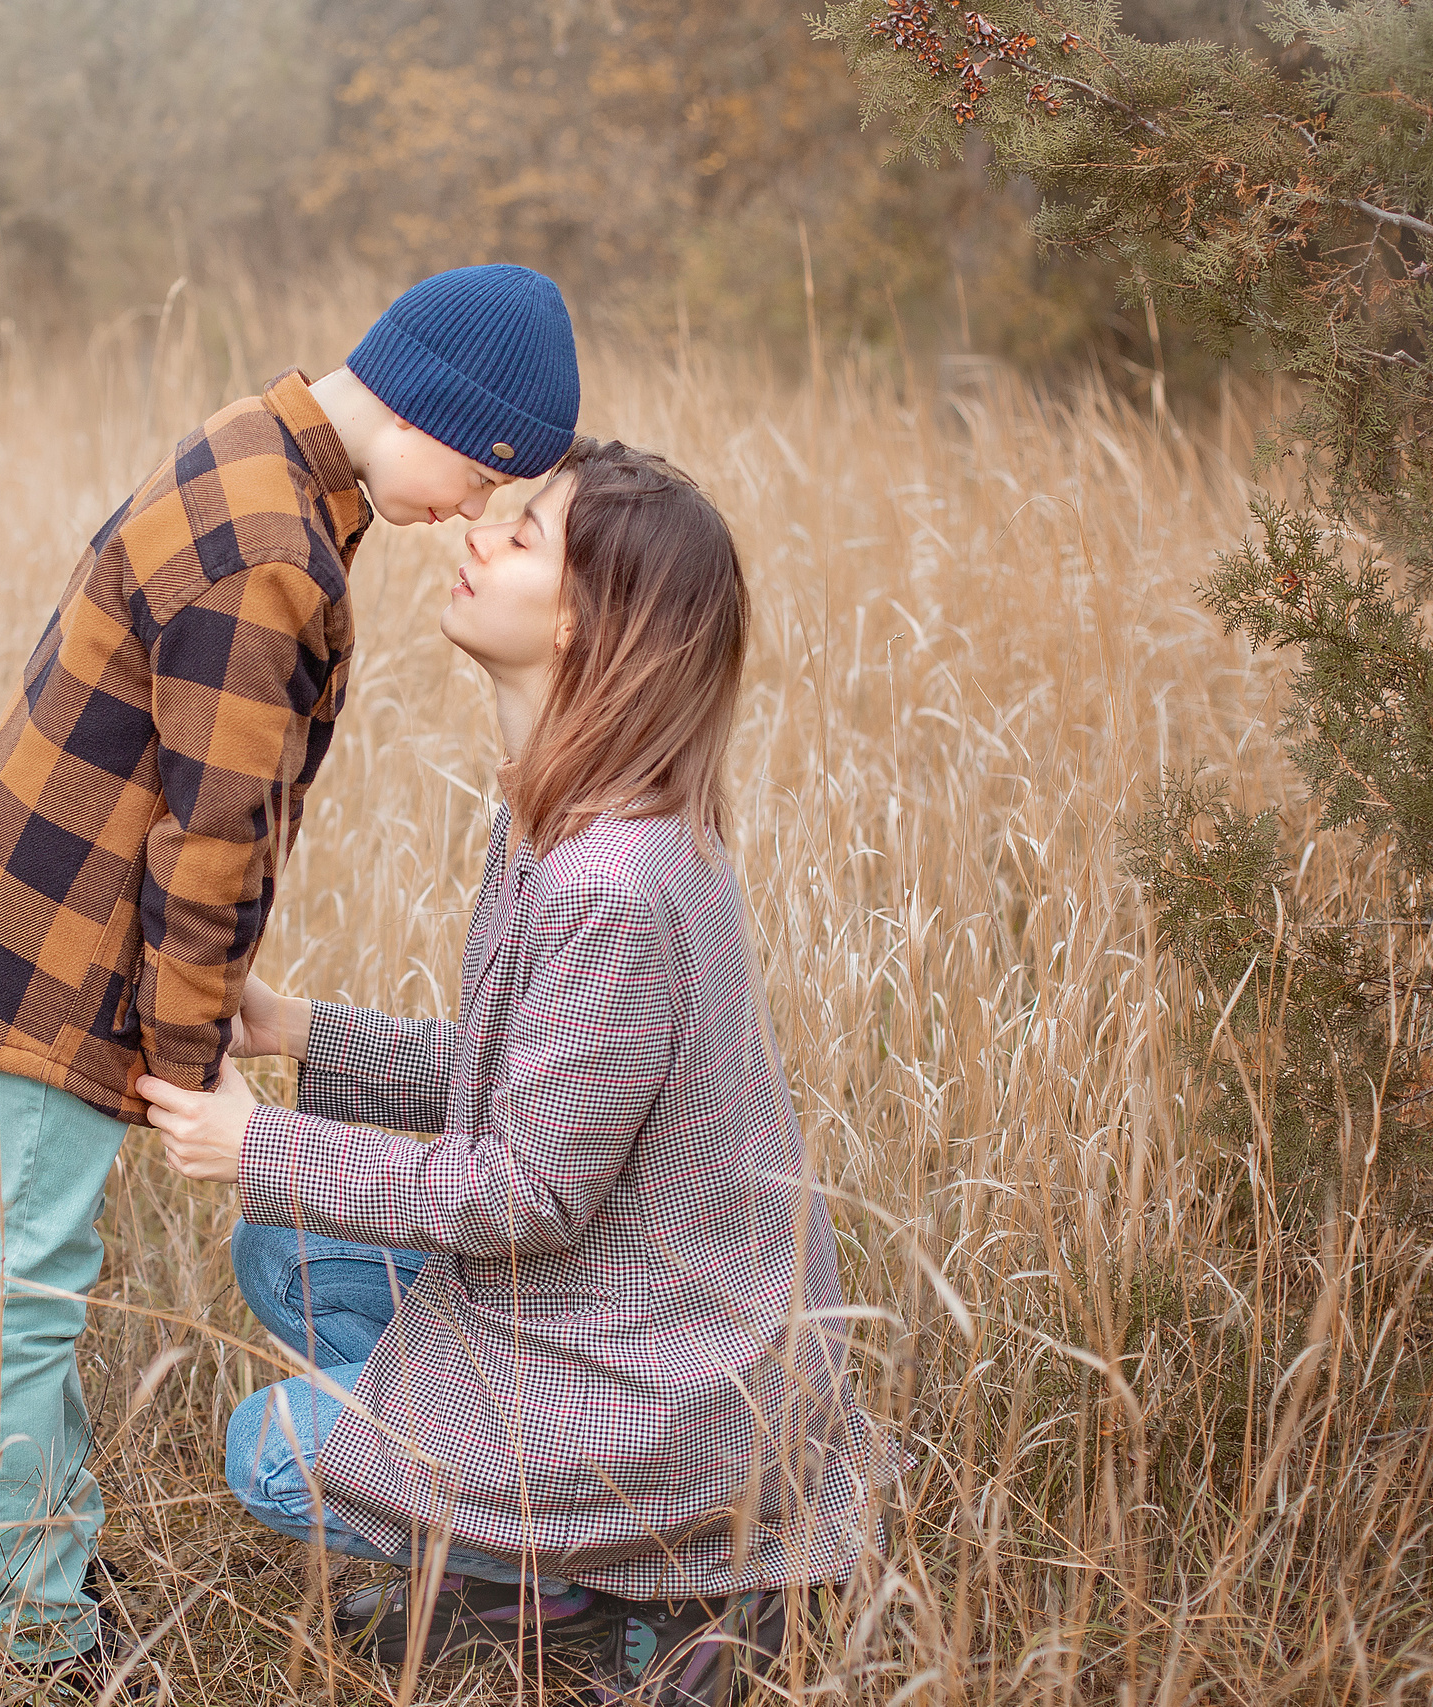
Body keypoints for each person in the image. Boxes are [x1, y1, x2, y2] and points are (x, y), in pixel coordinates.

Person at [0, 265, 581, 1693]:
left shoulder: (261, 450)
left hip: (46, 930)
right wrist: (193, 1061)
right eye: (482, 473)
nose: (466, 513)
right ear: (433, 404)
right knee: (25, 1297)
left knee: (34, 1281)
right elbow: (210, 838)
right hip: (62, 959)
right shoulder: (273, 551)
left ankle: (39, 1562)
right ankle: (31, 1630)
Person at [140, 439, 896, 1706]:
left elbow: (527, 1191)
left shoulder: (611, 881)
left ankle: (649, 1590)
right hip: (632, 1309)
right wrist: (301, 1032)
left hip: (661, 1383)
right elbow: (527, 1089)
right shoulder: (571, 817)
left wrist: (256, 1147)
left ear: (591, 628)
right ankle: (557, 1563)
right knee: (277, 1255)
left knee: (269, 1453)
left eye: (526, 535)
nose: (478, 532)